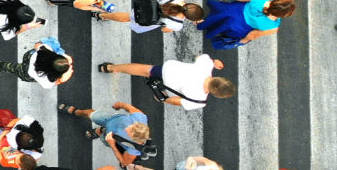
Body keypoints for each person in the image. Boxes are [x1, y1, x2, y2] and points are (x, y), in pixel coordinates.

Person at [100, 55, 236, 110]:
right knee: (149, 75)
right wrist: (163, 99)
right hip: (168, 86)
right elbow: (176, 101)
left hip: (169, 69)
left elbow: (200, 57)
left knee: (145, 70)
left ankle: (110, 68)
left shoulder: (206, 66)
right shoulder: (199, 101)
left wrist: (213, 62)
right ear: (217, 94)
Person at [60, 102, 151, 168]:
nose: (127, 127)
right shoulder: (139, 118)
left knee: (103, 137)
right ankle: (77, 112)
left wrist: (112, 145)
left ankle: (100, 131)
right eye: (131, 126)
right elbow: (130, 108)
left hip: (112, 138)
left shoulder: (134, 149)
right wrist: (121, 105)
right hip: (110, 119)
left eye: (129, 131)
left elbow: (124, 162)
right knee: (91, 114)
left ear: (133, 139)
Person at [95, 0, 204, 34]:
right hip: (146, 18)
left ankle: (102, 14)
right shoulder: (177, 25)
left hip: (146, 3)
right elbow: (164, 30)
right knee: (126, 18)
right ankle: (102, 15)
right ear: (189, 18)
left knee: (128, 15)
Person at [198, 0, 297, 49]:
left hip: (234, 10)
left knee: (220, 14)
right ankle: (211, 29)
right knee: (224, 27)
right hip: (238, 27)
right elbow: (253, 35)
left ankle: (206, 21)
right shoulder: (273, 27)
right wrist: (243, 41)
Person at [0, 38, 75, 88]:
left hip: (29, 57)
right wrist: (63, 79)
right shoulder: (47, 81)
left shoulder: (45, 49)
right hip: (26, 73)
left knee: (5, 66)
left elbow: (38, 45)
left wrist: (61, 55)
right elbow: (54, 83)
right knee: (6, 67)